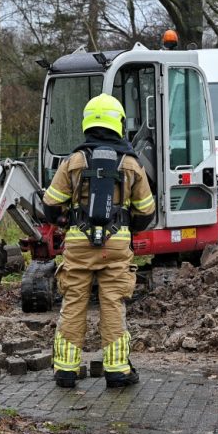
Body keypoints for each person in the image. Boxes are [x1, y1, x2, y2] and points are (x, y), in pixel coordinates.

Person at [43, 93, 155, 388]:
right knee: (113, 303)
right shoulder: (131, 163)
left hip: (79, 244)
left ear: (88, 122)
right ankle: (118, 370)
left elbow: (50, 204)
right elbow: (146, 211)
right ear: (118, 123)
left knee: (74, 302)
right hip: (116, 245)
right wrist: (127, 227)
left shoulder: (75, 161)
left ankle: (66, 370)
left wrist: (67, 220)